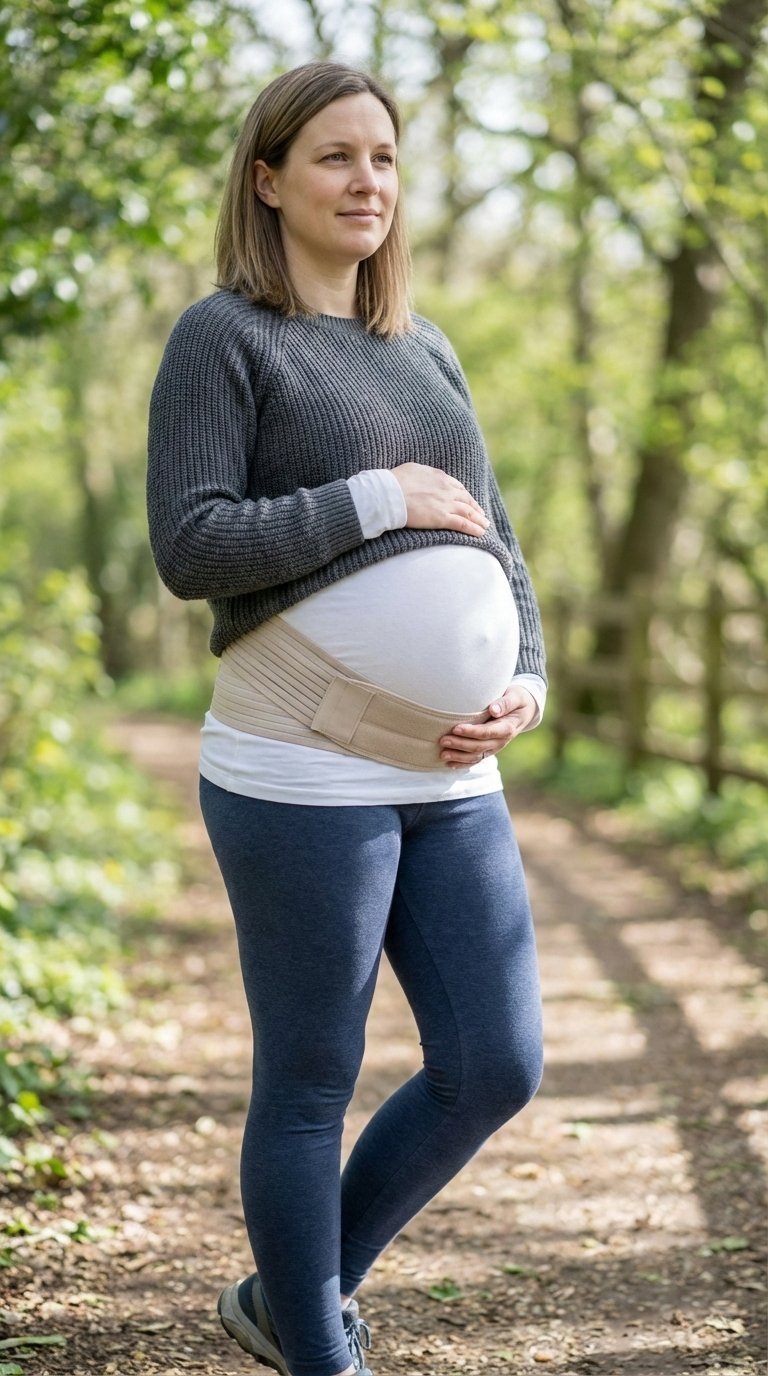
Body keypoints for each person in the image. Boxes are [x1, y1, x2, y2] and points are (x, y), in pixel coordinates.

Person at [147, 59, 546, 1376]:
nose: (366, 181)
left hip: (450, 777)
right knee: (312, 1074)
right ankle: (319, 1352)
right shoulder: (225, 337)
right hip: (297, 766)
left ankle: (287, 1297)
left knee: (496, 1064)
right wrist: (378, 501)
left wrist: (522, 672)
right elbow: (191, 543)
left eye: (382, 157)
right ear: (268, 180)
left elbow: (498, 538)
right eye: (334, 156)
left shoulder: (423, 345)